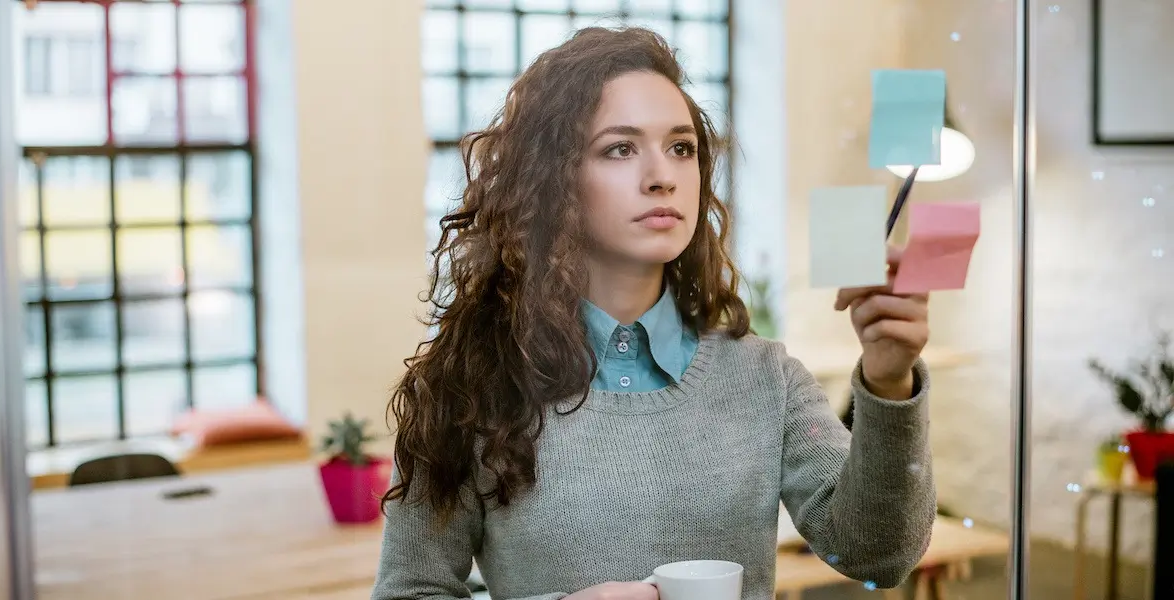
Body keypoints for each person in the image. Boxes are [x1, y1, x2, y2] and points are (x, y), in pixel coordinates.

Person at [372, 26, 936, 600]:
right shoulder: (469, 388)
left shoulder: (767, 379)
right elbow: (408, 592)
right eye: (620, 148)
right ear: (554, 180)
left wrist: (889, 384)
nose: (662, 176)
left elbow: (878, 554)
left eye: (681, 147)